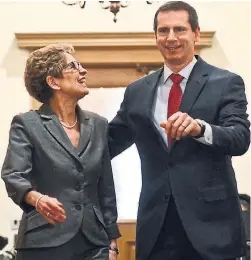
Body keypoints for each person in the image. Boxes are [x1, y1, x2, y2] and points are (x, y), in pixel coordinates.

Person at [108, 1, 250, 260]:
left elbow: (240, 138)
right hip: (156, 228)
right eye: (163, 31)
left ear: (196, 34)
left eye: (179, 29)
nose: (171, 37)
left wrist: (200, 129)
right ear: (155, 36)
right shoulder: (137, 91)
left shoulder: (225, 82)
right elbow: (108, 143)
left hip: (212, 229)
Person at [1, 43, 121, 260]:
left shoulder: (99, 124)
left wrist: (112, 243)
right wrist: (36, 199)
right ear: (53, 81)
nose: (83, 71)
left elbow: (106, 188)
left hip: (94, 244)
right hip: (43, 242)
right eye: (74, 66)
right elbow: (13, 174)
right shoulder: (27, 124)